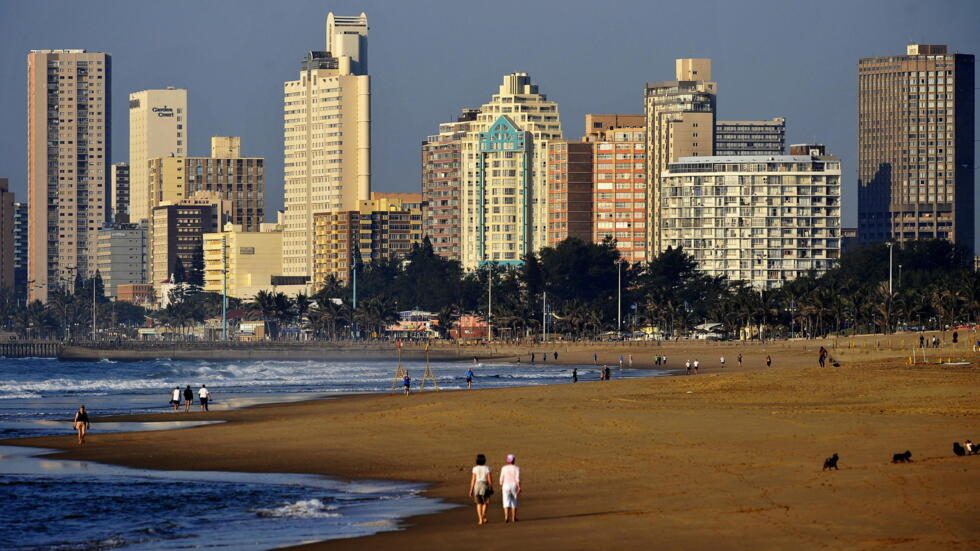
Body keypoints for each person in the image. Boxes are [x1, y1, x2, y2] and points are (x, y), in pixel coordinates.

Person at [468, 454, 493, 525]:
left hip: (477, 485)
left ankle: (480, 520)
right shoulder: (487, 468)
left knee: (478, 503)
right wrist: (491, 487)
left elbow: (473, 479)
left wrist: (471, 490)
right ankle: (483, 514)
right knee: (486, 502)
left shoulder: (475, 468)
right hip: (484, 485)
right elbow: (489, 479)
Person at [499, 454, 521, 523]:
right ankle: (513, 518)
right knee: (514, 501)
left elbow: (501, 479)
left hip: (505, 485)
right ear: (514, 460)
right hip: (514, 485)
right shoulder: (517, 468)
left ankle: (506, 517)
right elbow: (517, 479)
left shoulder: (503, 468)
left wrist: (501, 484)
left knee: (506, 501)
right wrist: (519, 487)